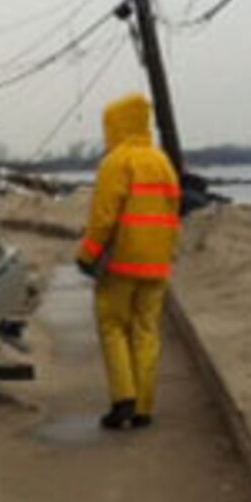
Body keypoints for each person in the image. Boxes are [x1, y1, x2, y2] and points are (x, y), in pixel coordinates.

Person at [76, 93, 182, 431]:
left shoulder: (116, 162)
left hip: (121, 261)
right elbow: (174, 210)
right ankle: (144, 408)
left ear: (115, 125)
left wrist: (87, 255)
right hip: (157, 263)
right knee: (147, 331)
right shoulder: (162, 161)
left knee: (113, 327)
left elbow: (104, 217)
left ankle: (123, 398)